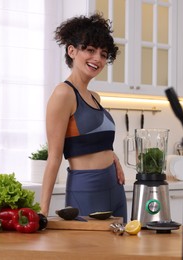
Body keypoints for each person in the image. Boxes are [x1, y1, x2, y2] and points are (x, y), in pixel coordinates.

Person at [40, 13, 127, 222]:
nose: (97, 58)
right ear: (72, 50)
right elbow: (54, 156)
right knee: (87, 253)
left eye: (103, 54)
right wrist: (42, 212)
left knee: (121, 253)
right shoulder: (64, 93)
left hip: (116, 189)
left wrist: (113, 158)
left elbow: (94, 140)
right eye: (90, 50)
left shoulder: (95, 97)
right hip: (86, 189)